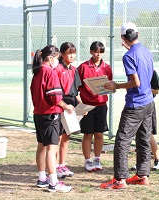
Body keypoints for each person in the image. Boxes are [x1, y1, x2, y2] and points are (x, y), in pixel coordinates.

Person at [100, 22, 154, 189]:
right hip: (149, 102)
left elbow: (135, 82)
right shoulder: (146, 51)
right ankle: (142, 174)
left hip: (135, 104)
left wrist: (117, 86)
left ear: (123, 38)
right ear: (138, 34)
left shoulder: (128, 56)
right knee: (144, 139)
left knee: (122, 140)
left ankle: (119, 179)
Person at [30, 45, 73, 192]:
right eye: (57, 58)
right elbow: (54, 97)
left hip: (39, 114)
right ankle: (53, 182)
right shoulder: (50, 72)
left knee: (41, 146)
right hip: (50, 114)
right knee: (51, 148)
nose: (58, 62)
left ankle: (42, 178)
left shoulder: (37, 72)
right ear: (50, 58)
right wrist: (67, 106)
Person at [122, 41, 159, 171]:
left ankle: (157, 160)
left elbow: (154, 89)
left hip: (143, 105)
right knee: (140, 138)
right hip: (142, 103)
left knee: (146, 136)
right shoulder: (137, 58)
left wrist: (117, 86)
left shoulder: (151, 72)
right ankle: (142, 168)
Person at [77, 41, 113, 172]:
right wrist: (81, 104)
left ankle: (97, 159)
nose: (99, 54)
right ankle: (87, 160)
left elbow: (109, 85)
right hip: (87, 105)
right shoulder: (83, 67)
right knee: (87, 134)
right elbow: (76, 87)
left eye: (101, 52)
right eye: (96, 51)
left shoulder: (107, 68)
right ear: (91, 52)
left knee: (99, 133)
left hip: (101, 105)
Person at [54, 42, 82, 178]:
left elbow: (76, 93)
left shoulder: (74, 70)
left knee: (66, 137)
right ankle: (53, 166)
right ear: (62, 54)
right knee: (57, 137)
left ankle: (62, 165)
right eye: (69, 53)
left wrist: (82, 106)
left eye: (73, 53)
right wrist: (63, 105)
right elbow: (55, 93)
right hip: (60, 103)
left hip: (71, 104)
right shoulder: (57, 69)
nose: (72, 56)